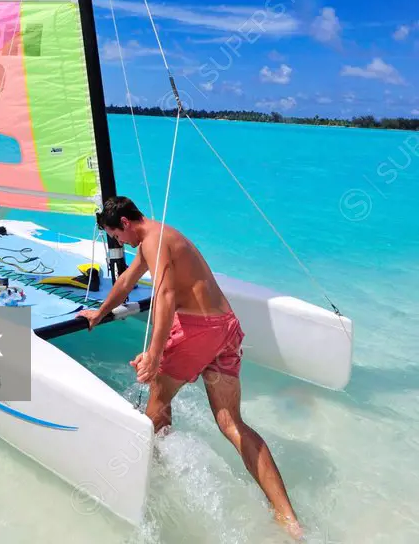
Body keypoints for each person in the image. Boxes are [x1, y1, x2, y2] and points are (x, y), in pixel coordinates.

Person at [78, 196, 303, 539]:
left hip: (199, 331)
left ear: (124, 223)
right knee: (231, 422)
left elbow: (165, 295)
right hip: (225, 329)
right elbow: (125, 283)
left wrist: (153, 354)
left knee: (156, 404)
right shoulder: (158, 237)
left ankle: (148, 487)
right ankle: (288, 518)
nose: (117, 242)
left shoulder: (153, 241)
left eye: (115, 235)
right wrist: (100, 311)